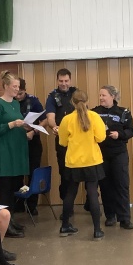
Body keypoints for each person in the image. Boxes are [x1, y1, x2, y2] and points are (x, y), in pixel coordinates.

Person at [58, 90, 106, 239]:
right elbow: (101, 138)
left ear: (72, 102)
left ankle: (65, 226)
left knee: (70, 193)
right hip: (92, 160)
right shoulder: (95, 116)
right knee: (92, 193)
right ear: (87, 101)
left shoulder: (66, 119)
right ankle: (97, 230)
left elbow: (62, 142)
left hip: (74, 162)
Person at [92, 85, 133, 229]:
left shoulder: (123, 112)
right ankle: (110, 216)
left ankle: (124, 218)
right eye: (100, 95)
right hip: (101, 154)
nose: (101, 98)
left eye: (104, 95)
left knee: (121, 185)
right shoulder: (94, 113)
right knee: (105, 186)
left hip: (119, 153)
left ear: (113, 96)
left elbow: (131, 130)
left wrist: (119, 134)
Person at [0, 70, 29, 217]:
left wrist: (25, 126)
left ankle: (11, 219)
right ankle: (4, 220)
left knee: (14, 187)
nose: (17, 89)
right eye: (14, 86)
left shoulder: (16, 104)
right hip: (4, 152)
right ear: (6, 86)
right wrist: (11, 124)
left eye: (18, 86)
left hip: (16, 150)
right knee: (5, 188)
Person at [45, 68, 77, 205]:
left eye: (66, 81)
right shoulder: (52, 96)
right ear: (57, 81)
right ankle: (66, 206)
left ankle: (90, 202)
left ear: (70, 80)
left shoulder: (76, 93)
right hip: (62, 140)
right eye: (61, 81)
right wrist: (54, 127)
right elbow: (50, 118)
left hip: (78, 141)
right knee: (65, 173)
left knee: (86, 172)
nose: (64, 84)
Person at [15, 78, 47, 215]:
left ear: (25, 91)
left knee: (33, 173)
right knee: (17, 174)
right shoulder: (10, 101)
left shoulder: (33, 101)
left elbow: (44, 120)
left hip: (32, 141)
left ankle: (32, 205)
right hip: (16, 143)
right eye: (16, 93)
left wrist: (33, 131)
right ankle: (18, 203)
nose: (18, 96)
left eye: (20, 94)